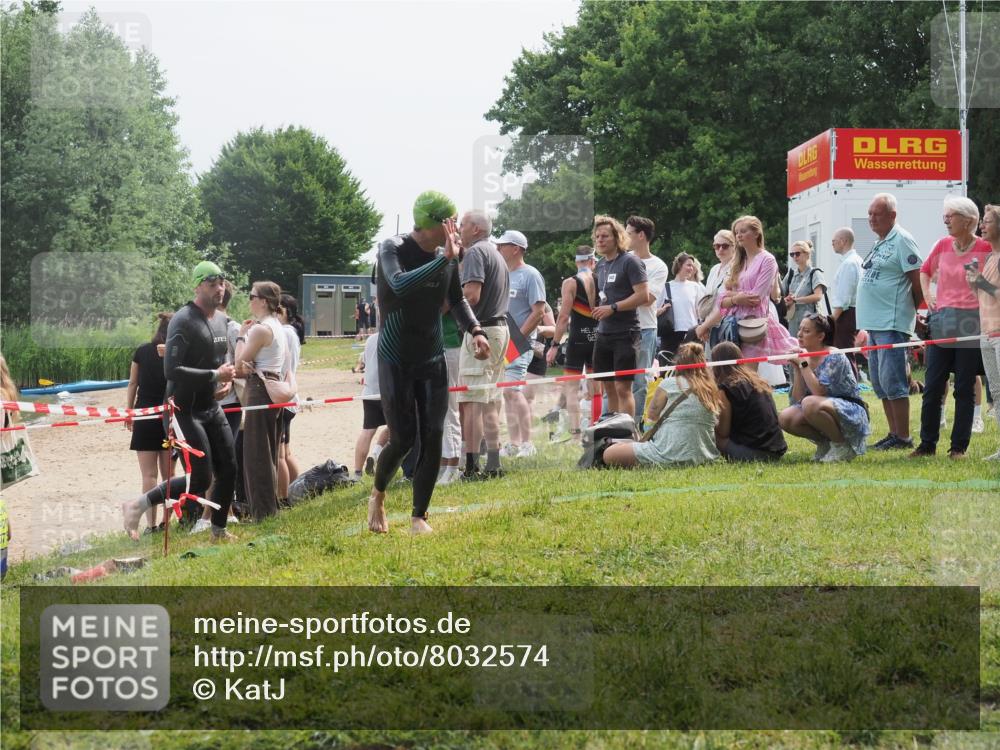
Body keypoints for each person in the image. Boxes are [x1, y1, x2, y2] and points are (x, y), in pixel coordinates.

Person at [368, 190, 489, 535]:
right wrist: (443, 260)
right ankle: (378, 493)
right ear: (434, 223)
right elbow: (399, 284)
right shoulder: (392, 247)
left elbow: (455, 300)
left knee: (434, 433)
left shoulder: (448, 255)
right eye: (450, 221)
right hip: (396, 358)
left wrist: (475, 330)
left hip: (432, 355)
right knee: (403, 438)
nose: (456, 228)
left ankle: (419, 515)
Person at [121, 261, 237, 543]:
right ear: (198, 286)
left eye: (221, 283)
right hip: (182, 410)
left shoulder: (221, 320)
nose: (219, 289)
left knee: (229, 468)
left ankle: (218, 531)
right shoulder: (183, 320)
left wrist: (223, 382)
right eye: (212, 284)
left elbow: (219, 360)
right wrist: (214, 374)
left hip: (210, 407)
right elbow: (171, 370)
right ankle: (138, 504)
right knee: (201, 477)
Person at [909, 197, 991, 459]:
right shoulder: (942, 245)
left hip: (971, 322)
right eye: (944, 215)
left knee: (964, 387)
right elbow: (924, 270)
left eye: (950, 215)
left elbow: (995, 289)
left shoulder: (987, 248)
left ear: (968, 220)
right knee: (933, 385)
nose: (945, 220)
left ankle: (958, 447)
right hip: (942, 321)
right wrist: (929, 296)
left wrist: (980, 282)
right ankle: (927, 444)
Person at [857, 193, 924, 450]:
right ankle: (893, 433)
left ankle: (903, 436)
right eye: (870, 214)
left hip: (891, 322)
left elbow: (916, 280)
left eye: (877, 214)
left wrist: (912, 313)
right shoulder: (880, 241)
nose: (871, 219)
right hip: (874, 323)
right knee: (879, 381)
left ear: (892, 216)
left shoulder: (902, 240)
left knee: (893, 380)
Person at [601, 342, 720, 468]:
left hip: (667, 452)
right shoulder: (710, 388)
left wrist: (647, 437)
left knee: (609, 453)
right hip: (704, 455)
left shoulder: (669, 384)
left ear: (678, 363)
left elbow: (651, 417)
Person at [702, 216, 797, 372]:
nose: (738, 235)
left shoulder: (767, 260)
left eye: (743, 231)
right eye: (736, 232)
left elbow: (755, 298)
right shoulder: (738, 261)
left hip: (752, 325)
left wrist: (732, 297)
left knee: (747, 376)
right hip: (731, 326)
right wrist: (737, 298)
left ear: (756, 233)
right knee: (728, 375)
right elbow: (720, 300)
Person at [456, 210, 510, 479]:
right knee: (490, 400)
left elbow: (472, 296)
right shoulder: (496, 253)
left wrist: (449, 299)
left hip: (483, 330)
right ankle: (494, 464)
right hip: (499, 329)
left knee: (473, 401)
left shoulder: (476, 253)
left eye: (462, 225)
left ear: (476, 229)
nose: (458, 228)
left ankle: (470, 467)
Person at [778, 313, 870, 462]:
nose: (799, 334)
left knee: (809, 403)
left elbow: (819, 392)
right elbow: (797, 399)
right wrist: (797, 368)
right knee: (785, 417)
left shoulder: (834, 355)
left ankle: (842, 446)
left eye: (806, 331)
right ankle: (826, 444)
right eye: (800, 329)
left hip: (851, 410)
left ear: (820, 337)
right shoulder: (805, 357)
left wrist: (803, 364)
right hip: (820, 406)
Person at [234, 280, 286, 520]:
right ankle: (268, 507)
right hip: (273, 386)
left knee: (256, 453)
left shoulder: (260, 329)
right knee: (270, 451)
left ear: (263, 301)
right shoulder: (278, 326)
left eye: (252, 296)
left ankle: (262, 512)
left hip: (260, 388)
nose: (249, 300)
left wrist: (241, 337)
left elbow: (239, 367)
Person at [592, 215, 649, 419]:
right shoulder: (599, 265)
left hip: (626, 333)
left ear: (617, 237)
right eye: (597, 236)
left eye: (605, 236)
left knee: (623, 388)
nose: (600, 240)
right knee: (608, 387)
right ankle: (612, 431)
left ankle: (626, 435)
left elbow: (643, 296)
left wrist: (613, 308)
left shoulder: (630, 261)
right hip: (603, 333)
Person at [497, 228, 545, 458]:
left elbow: (538, 312)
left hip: (520, 342)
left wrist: (518, 338)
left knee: (513, 391)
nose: (498, 248)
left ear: (515, 249)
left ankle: (527, 443)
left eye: (502, 245)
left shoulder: (531, 275)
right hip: (502, 342)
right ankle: (514, 443)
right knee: (507, 393)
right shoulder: (502, 273)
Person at [125, 312, 174, 534]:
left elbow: (133, 382)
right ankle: (166, 521)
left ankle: (151, 524)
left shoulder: (142, 351)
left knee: (148, 476)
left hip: (144, 415)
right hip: (169, 416)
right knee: (169, 476)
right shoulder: (175, 354)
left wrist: (129, 411)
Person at [547, 246, 601, 436]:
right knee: (596, 388)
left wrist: (554, 345)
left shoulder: (570, 282)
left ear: (577, 261)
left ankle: (576, 434)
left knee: (571, 388)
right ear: (593, 261)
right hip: (597, 339)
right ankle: (597, 429)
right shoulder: (600, 279)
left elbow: (563, 318)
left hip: (577, 340)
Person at [711, 341, 787, 462]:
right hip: (777, 450)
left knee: (710, 433)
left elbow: (723, 432)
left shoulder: (725, 389)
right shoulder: (759, 381)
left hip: (753, 453)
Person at [626, 216, 669, 425]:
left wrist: (618, 301)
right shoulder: (622, 260)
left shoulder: (658, 266)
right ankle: (614, 424)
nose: (625, 238)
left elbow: (647, 299)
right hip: (619, 329)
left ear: (641, 235)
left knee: (639, 381)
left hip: (645, 329)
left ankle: (635, 426)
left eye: (629, 233)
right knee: (616, 380)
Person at [968, 203, 1000, 460]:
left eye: (987, 221)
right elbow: (985, 296)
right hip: (987, 333)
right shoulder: (990, 257)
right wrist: (975, 283)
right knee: (997, 393)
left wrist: (980, 282)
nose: (982, 226)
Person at [657, 252, 706, 364]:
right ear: (679, 265)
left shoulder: (695, 287)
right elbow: (653, 310)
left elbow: (702, 311)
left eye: (692, 266)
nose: (691, 268)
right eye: (688, 265)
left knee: (692, 368)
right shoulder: (666, 287)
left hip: (691, 333)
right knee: (667, 368)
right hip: (670, 333)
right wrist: (661, 310)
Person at [276, 293, 302, 501]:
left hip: (283, 396)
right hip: (291, 397)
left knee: (280, 455)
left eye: (278, 310)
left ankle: (283, 498)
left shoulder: (284, 332)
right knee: (287, 451)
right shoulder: (291, 331)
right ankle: (298, 489)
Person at [354, 331, 389, 479]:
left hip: (369, 392)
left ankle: (357, 473)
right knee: (395, 428)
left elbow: (364, 363)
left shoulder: (370, 339)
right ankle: (376, 453)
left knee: (367, 431)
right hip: (387, 392)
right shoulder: (395, 336)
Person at [695, 230, 737, 350]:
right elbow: (709, 301)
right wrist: (706, 325)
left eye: (725, 246)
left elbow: (726, 305)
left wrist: (704, 326)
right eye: (716, 246)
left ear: (734, 247)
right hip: (711, 326)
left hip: (728, 325)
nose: (720, 250)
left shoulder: (737, 268)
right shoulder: (714, 269)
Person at [829, 227, 863, 376]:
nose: (833, 244)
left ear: (843, 241)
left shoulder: (849, 263)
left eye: (834, 241)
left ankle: (851, 390)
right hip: (853, 312)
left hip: (846, 314)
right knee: (845, 353)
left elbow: (844, 298)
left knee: (845, 354)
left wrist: (831, 319)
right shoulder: (856, 260)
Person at [781, 240, 828, 337]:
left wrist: (796, 300)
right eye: (792, 254)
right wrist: (786, 300)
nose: (794, 257)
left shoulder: (815, 273)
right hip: (793, 322)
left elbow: (818, 296)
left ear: (807, 254)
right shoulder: (790, 274)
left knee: (809, 349)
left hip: (811, 321)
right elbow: (780, 293)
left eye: (797, 254)